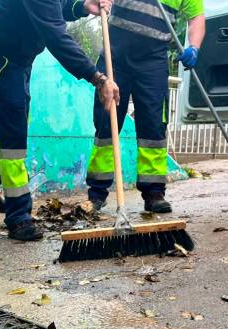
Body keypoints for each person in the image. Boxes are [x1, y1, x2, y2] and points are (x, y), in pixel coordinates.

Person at [0, 0, 120, 242]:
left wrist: (81, 7)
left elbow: (57, 7)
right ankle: (18, 217)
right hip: (0, 54)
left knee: (13, 120)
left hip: (19, 56)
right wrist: (97, 77)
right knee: (14, 128)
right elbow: (55, 36)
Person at [86, 0, 205, 213]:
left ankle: (154, 192)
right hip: (115, 56)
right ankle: (97, 192)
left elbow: (196, 18)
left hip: (152, 62)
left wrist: (194, 47)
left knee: (153, 126)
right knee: (106, 124)